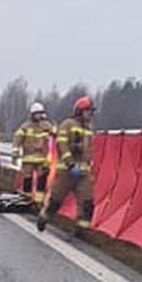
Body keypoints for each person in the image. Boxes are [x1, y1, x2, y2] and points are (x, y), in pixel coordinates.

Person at [37, 97, 97, 236]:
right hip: (66, 171)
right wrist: (70, 163)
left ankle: (81, 230)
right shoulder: (67, 124)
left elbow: (89, 150)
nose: (90, 115)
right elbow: (61, 145)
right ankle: (44, 217)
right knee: (56, 200)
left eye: (91, 112)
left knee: (87, 202)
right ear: (80, 112)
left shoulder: (89, 129)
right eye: (88, 111)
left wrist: (88, 164)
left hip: (83, 173)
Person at [13, 103, 55, 206]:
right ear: (32, 114)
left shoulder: (47, 126)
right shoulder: (26, 126)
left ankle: (39, 202)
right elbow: (17, 138)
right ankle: (27, 200)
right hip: (28, 158)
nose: (39, 116)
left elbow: (56, 135)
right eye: (37, 114)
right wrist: (15, 151)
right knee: (27, 179)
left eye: (41, 114)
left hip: (42, 159)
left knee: (42, 180)